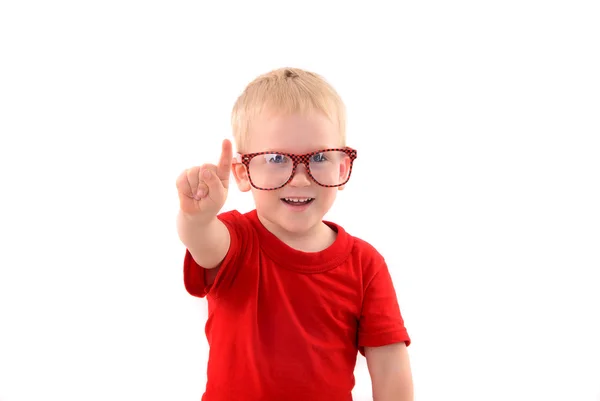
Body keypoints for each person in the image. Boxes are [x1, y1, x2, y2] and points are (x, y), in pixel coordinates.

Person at [176, 67, 413, 401]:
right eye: (275, 158)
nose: (300, 178)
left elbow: (389, 363)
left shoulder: (365, 264)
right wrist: (197, 218)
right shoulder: (235, 239)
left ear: (342, 168)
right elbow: (203, 242)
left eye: (318, 157)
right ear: (243, 173)